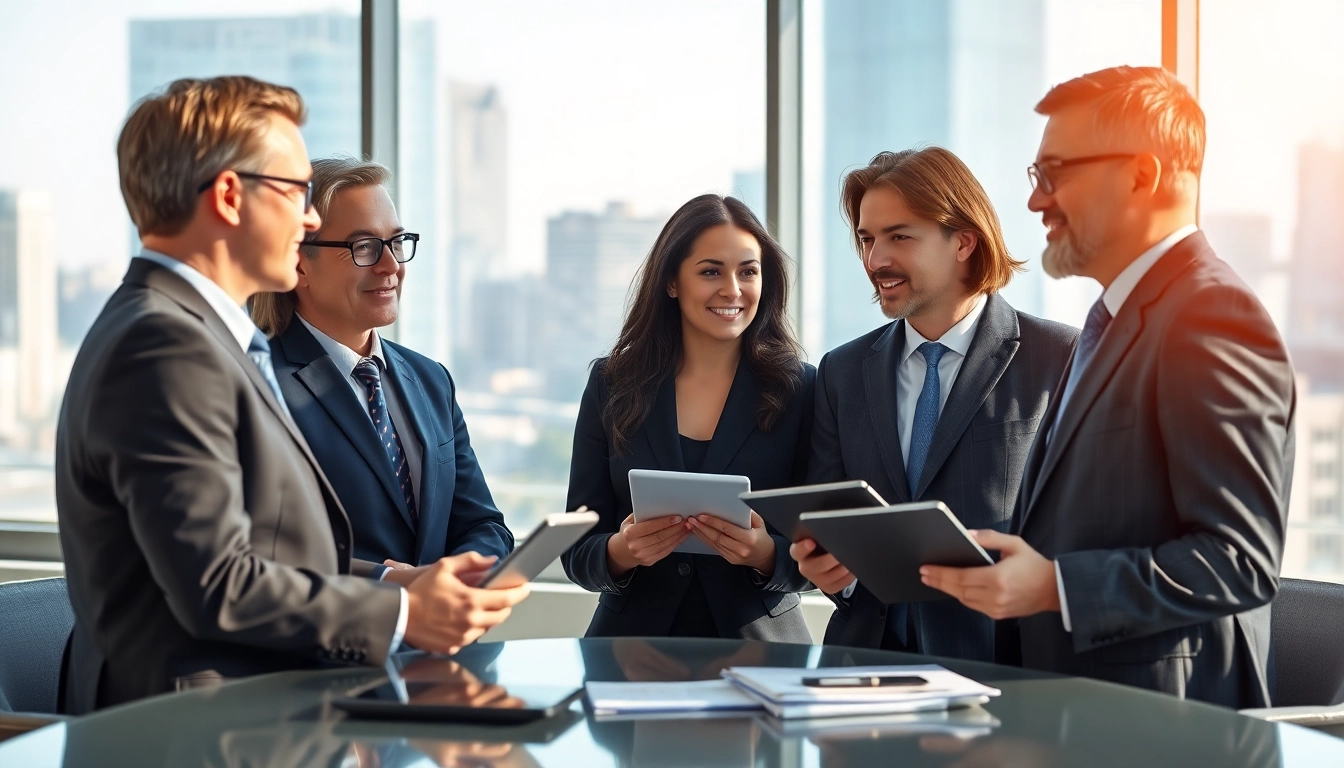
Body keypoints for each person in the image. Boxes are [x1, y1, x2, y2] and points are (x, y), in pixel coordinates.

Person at [54, 76, 527, 713]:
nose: (307, 220)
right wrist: (402, 609)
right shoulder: (166, 344)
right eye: (295, 192)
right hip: (192, 732)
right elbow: (219, 584)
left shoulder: (195, 335)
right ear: (230, 197)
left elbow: (271, 550)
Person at [920, 66, 1295, 708]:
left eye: (1055, 173)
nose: (1036, 202)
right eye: (1036, 176)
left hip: (1161, 724)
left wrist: (1056, 587)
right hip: (1078, 708)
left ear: (1142, 175)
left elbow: (1239, 559)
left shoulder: (1212, 314)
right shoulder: (1109, 321)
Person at [788, 147, 1078, 661]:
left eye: (899, 236)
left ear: (963, 241)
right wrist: (833, 574)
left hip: (1002, 666)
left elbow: (1084, 529)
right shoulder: (842, 372)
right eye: (867, 239)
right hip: (866, 670)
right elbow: (829, 521)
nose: (875, 260)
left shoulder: (1060, 357)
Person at [562, 194, 815, 641]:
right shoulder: (612, 383)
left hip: (763, 653)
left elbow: (828, 553)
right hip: (631, 650)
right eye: (711, 271)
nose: (733, 289)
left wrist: (764, 555)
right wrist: (622, 551)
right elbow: (577, 551)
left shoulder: (802, 389)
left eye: (748, 272)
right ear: (672, 282)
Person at [250, 157, 513, 577]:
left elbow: (483, 525)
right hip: (332, 619)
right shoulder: (255, 384)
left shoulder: (431, 380)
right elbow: (257, 549)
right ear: (298, 264)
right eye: (364, 247)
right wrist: (392, 582)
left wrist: (452, 577)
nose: (391, 265)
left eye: (396, 242)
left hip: (438, 620)